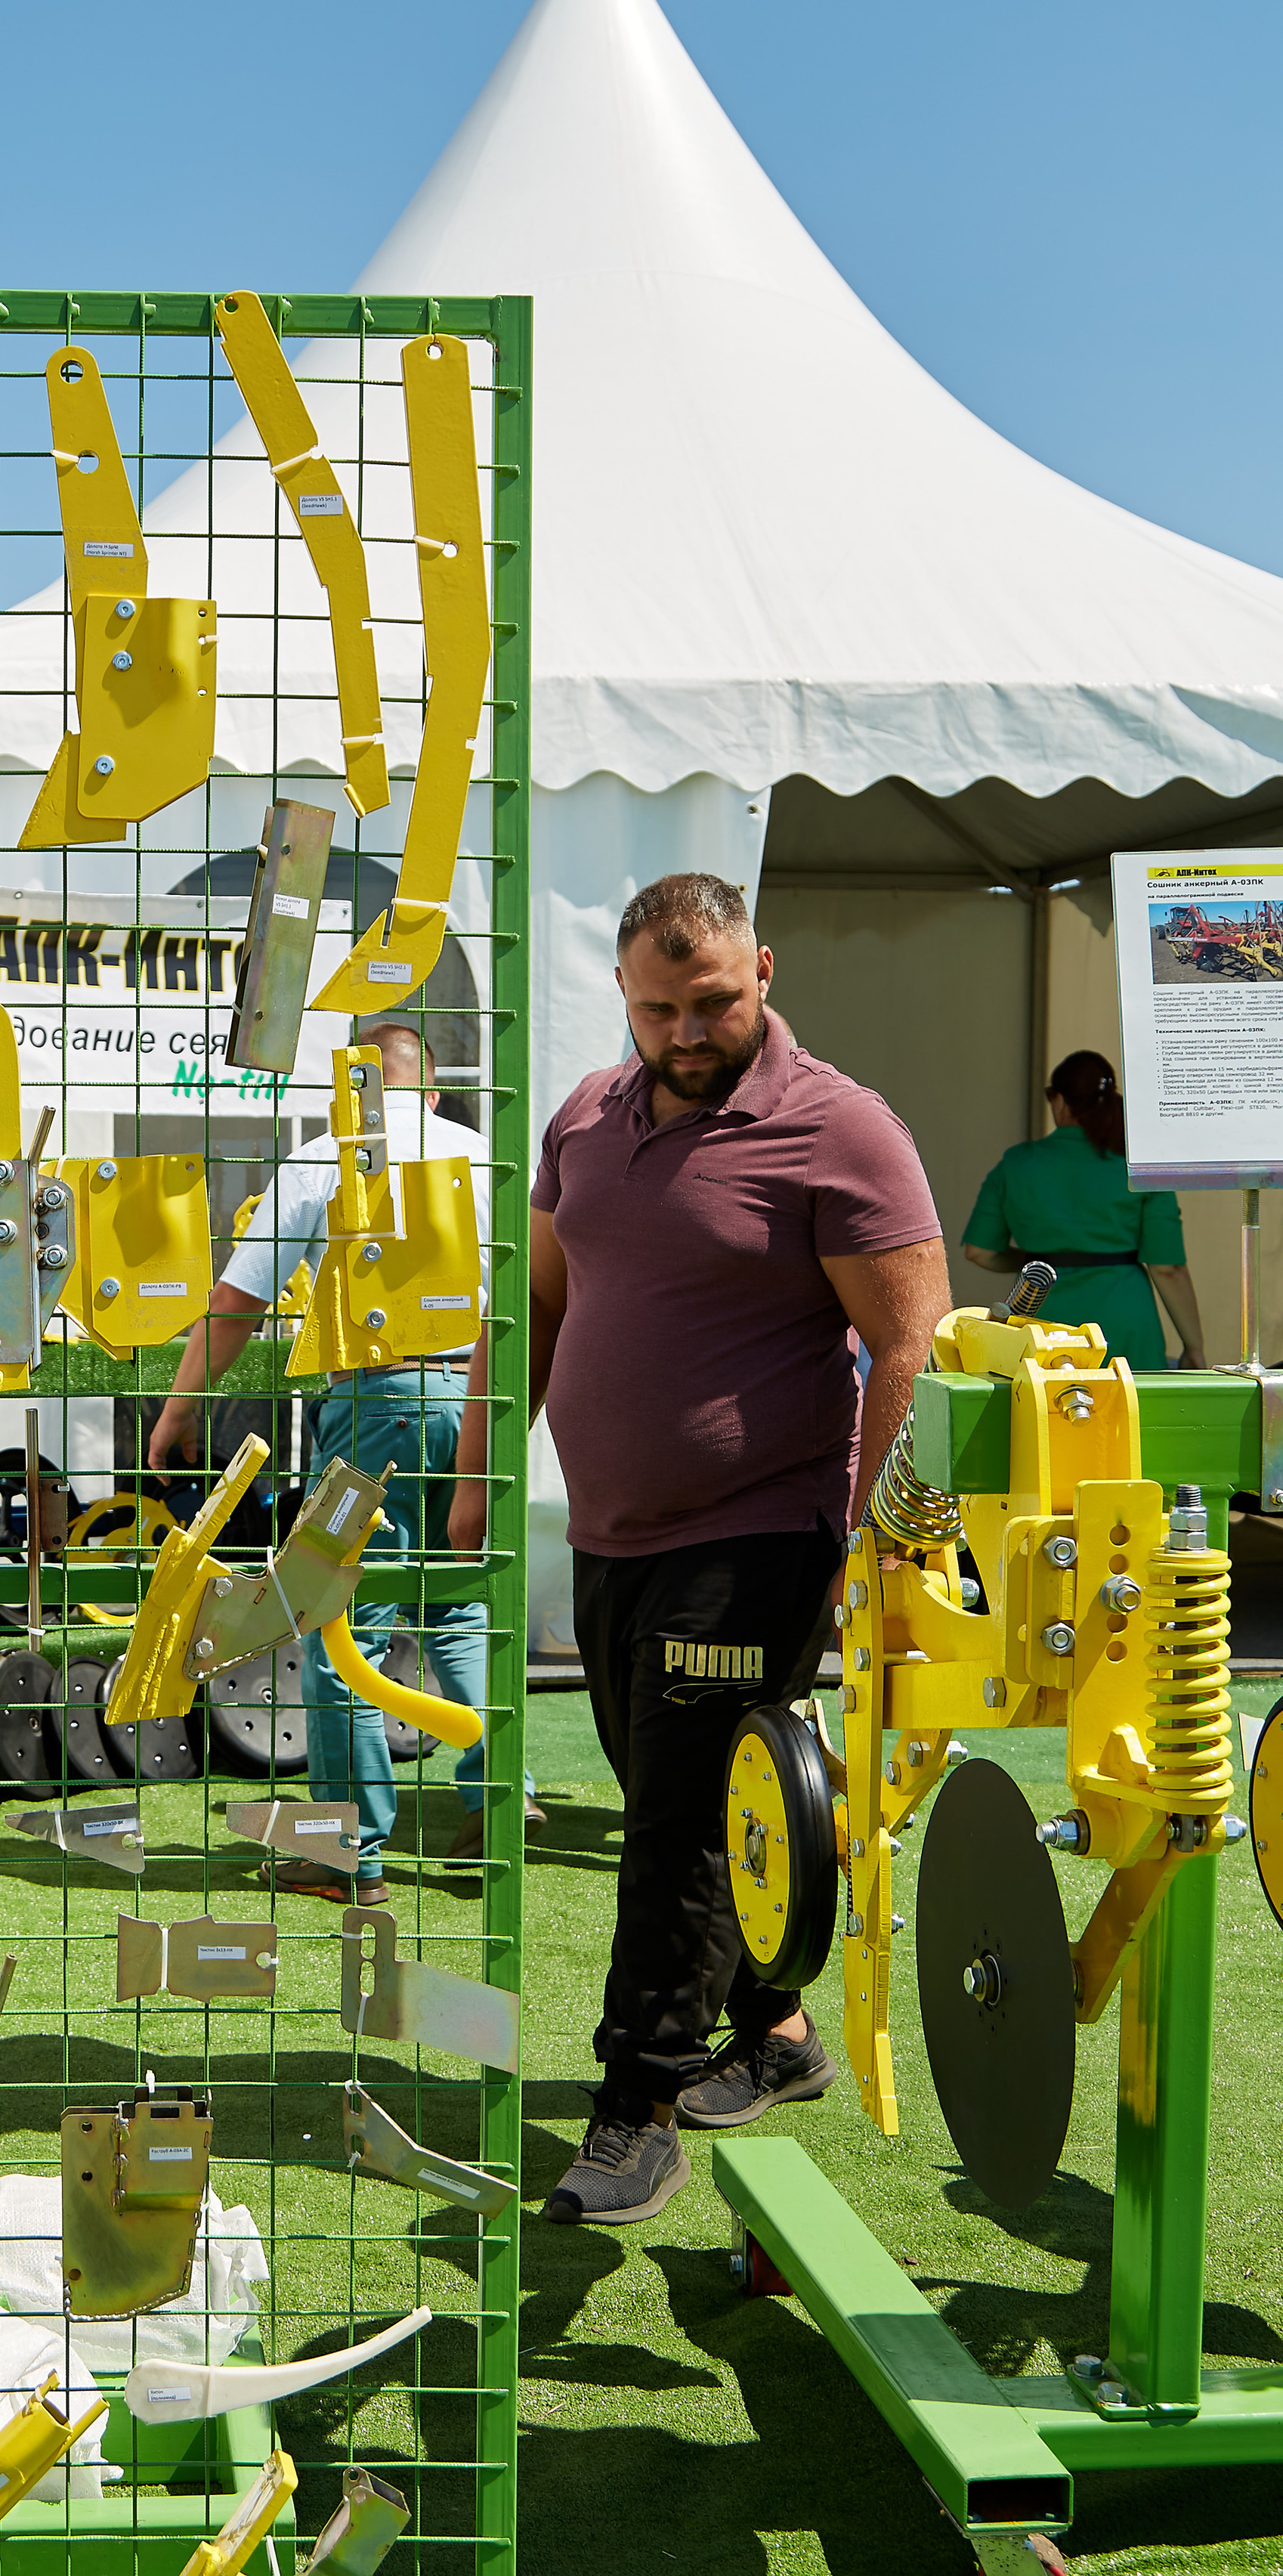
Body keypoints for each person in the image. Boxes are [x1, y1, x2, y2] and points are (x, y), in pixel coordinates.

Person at [447, 873, 951, 2226]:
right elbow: (542, 1301)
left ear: (766, 972)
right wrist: (479, 1473)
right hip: (613, 1538)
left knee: (670, 1827)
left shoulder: (841, 1130)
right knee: (696, 1799)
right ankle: (777, 2034)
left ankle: (638, 2108)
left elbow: (913, 1342)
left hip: (764, 1532)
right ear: (623, 994)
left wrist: (881, 1542)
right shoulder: (584, 1122)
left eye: (713, 1000)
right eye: (659, 1006)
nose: (686, 1028)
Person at [146, 1022, 536, 1906]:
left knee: (340, 1628)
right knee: (460, 1608)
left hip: (376, 1403)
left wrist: (176, 1415)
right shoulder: (489, 1163)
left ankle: (347, 1852)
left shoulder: (327, 1157)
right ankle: (498, 1792)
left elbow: (234, 1300)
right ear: (432, 1093)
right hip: (484, 1404)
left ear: (350, 1090)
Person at [961, 1051, 1205, 1369]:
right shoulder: (1138, 1167)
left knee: (1044, 1415)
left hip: (1043, 1322)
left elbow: (979, 1252)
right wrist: (1194, 1348)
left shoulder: (1017, 1164)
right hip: (1125, 1321)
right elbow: (1167, 1269)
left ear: (1059, 1100)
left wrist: (1038, 1262)